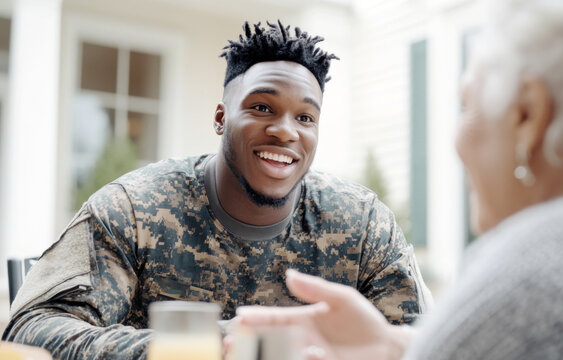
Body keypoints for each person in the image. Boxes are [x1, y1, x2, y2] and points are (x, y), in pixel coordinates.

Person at [2, 21, 431, 358]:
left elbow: (426, 344)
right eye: (262, 107)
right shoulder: (134, 209)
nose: (285, 131)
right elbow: (31, 330)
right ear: (221, 118)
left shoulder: (363, 224)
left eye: (305, 118)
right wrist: (203, 346)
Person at [234, 1, 563, 359]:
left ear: (528, 115)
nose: (457, 143)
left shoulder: (534, 278)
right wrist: (394, 345)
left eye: (467, 106)